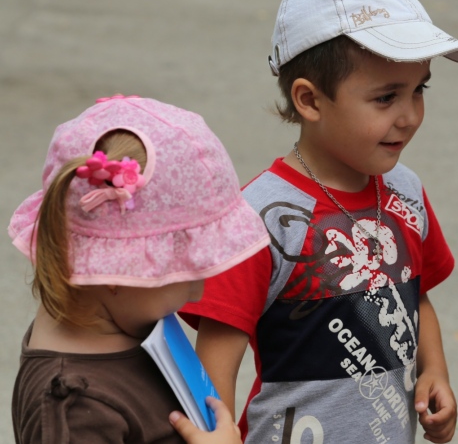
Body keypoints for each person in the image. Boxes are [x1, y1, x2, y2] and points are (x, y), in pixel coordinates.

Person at [179, 0, 458, 443]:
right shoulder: (260, 217)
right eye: (386, 98)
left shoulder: (405, 191)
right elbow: (219, 346)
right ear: (310, 101)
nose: (410, 116)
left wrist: (434, 370)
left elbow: (416, 294)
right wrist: (214, 433)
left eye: (419, 90)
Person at [9, 94, 270, 443]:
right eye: (184, 271)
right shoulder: (74, 408)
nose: (199, 290)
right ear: (118, 270)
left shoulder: (126, 323)